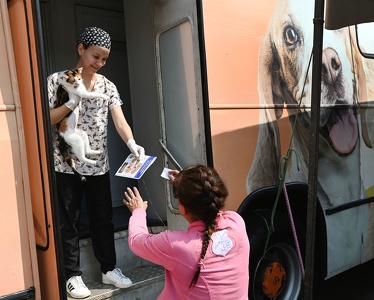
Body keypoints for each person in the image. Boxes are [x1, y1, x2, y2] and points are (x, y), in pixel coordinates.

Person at [48, 27, 145, 299]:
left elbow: (120, 120)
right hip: (65, 163)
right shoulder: (58, 80)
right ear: (80, 48)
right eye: (95, 56)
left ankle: (109, 269)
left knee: (102, 218)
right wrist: (72, 102)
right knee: (69, 220)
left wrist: (131, 143)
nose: (99, 63)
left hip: (98, 163)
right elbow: (47, 118)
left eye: (104, 59)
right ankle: (72, 277)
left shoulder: (107, 85)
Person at [123, 164, 250, 299]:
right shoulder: (236, 223)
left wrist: (138, 210)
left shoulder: (177, 245)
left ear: (183, 209)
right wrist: (185, 185)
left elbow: (136, 241)